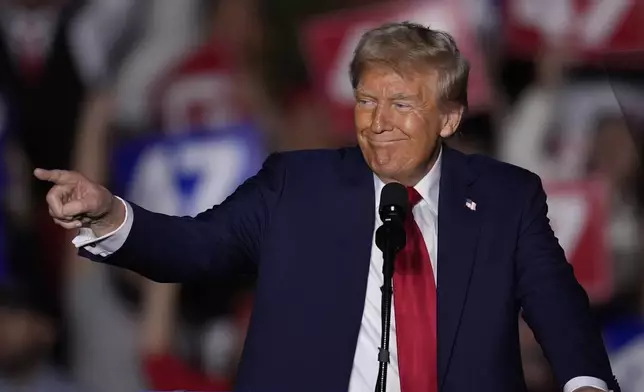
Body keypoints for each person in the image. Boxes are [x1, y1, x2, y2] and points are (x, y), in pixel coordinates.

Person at [35, 22, 618, 392]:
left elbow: (559, 309)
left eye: (401, 103)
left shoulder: (505, 198)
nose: (379, 120)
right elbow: (197, 248)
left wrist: (586, 384)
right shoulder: (296, 184)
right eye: (366, 100)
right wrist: (110, 212)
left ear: (448, 117)